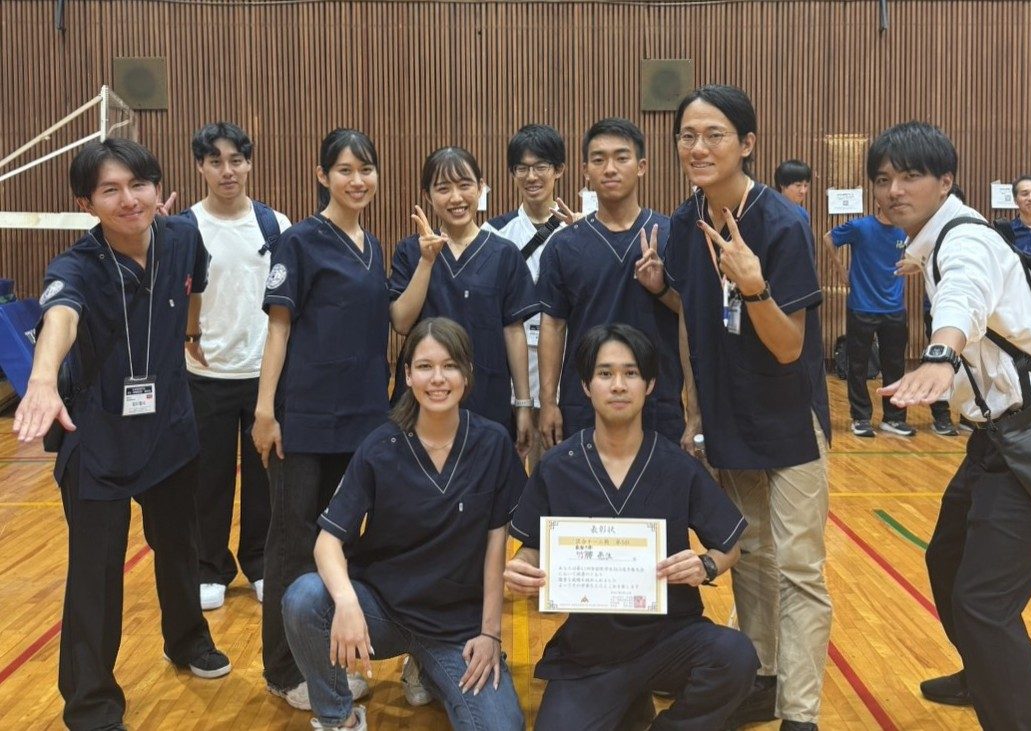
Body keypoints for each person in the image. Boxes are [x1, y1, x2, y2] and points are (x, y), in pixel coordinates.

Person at [12, 139, 230, 730]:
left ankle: (188, 642)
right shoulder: (76, 267)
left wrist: (189, 338)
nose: (128, 199)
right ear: (88, 202)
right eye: (110, 189)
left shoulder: (182, 238)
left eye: (139, 185)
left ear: (158, 188)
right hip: (98, 436)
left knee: (180, 549)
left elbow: (196, 286)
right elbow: (61, 314)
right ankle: (91, 702)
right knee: (96, 571)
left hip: (169, 431)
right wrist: (41, 379)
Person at [876, 122, 1031, 730]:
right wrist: (917, 256)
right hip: (996, 439)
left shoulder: (964, 243)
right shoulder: (940, 238)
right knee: (947, 559)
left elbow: (965, 294)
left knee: (984, 605)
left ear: (946, 181)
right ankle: (982, 672)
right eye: (883, 179)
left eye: (909, 177)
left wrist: (939, 353)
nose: (893, 190)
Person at [664, 84, 831, 731]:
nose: (698, 147)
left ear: (747, 144)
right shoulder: (683, 224)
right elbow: (689, 317)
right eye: (687, 135)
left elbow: (789, 347)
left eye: (714, 134)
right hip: (727, 416)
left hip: (790, 419)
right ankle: (762, 677)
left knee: (797, 566)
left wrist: (753, 284)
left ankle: (800, 712)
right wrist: (690, 403)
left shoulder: (779, 224)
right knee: (750, 554)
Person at [505, 323, 759, 730]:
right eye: (605, 374)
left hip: (670, 638)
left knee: (735, 655)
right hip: (591, 652)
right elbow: (533, 546)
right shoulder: (558, 466)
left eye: (631, 373)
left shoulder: (678, 467)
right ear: (587, 386)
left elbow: (730, 546)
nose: (618, 385)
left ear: (649, 383)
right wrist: (523, 566)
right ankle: (629, 702)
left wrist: (706, 566)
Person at [283, 317, 527, 731]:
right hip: (383, 613)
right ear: (408, 374)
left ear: (467, 374)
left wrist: (490, 636)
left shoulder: (492, 444)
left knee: (502, 726)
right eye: (425, 366)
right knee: (305, 597)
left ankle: (426, 667)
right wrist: (345, 602)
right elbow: (328, 541)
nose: (438, 378)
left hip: (455, 629)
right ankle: (339, 717)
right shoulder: (381, 446)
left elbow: (495, 547)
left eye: (450, 366)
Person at [253, 128, 389, 709]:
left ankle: (325, 662)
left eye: (366, 170)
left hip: (362, 420)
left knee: (341, 544)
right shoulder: (299, 242)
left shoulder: (375, 245)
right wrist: (264, 410)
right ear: (322, 174)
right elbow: (279, 329)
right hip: (304, 419)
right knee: (292, 544)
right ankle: (285, 672)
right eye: (344, 170)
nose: (356, 181)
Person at [181, 121, 292, 611]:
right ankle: (210, 568)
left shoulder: (276, 225)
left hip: (263, 372)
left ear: (249, 163)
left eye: (236, 160)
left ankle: (262, 563)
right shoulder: (184, 226)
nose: (227, 171)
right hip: (204, 373)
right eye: (216, 161)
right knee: (209, 478)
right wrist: (186, 337)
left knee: (268, 477)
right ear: (201, 166)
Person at [537, 117, 685, 448]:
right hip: (584, 401)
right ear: (585, 170)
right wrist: (548, 402)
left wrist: (661, 288)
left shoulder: (672, 234)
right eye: (599, 159)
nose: (610, 169)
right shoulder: (565, 244)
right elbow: (553, 326)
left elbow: (691, 313)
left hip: (657, 400)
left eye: (622, 157)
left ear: (642, 166)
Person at [390, 147, 540, 456]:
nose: (456, 197)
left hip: (488, 396)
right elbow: (402, 322)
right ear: (428, 196)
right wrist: (427, 262)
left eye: (465, 185)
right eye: (443, 188)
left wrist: (523, 404)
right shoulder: (410, 251)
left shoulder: (504, 254)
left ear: (481, 187)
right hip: (423, 399)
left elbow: (513, 332)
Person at [484, 124, 568, 469]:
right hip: (512, 362)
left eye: (541, 166)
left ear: (559, 170)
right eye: (522, 168)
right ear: (512, 173)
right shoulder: (493, 233)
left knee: (554, 464)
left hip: (562, 363)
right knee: (511, 467)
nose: (531, 176)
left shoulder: (578, 230)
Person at [824, 206, 916, 437]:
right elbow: (828, 238)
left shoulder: (906, 228)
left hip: (895, 308)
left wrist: (914, 264)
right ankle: (861, 418)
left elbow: (926, 248)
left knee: (894, 365)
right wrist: (839, 269)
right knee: (858, 365)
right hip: (862, 306)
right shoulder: (860, 227)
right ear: (880, 203)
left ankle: (894, 418)